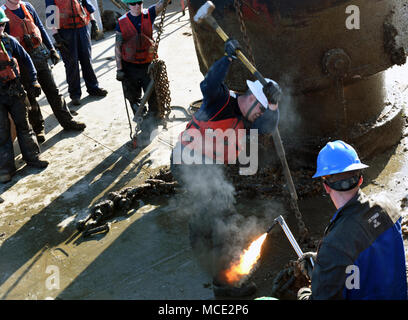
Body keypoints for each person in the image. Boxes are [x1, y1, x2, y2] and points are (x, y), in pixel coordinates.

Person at [170, 39, 282, 297]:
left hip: (210, 166)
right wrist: (227, 59)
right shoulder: (220, 100)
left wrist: (273, 105)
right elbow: (208, 83)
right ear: (252, 99)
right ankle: (225, 286)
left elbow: (267, 127)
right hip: (188, 161)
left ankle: (203, 244)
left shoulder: (249, 118)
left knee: (214, 210)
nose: (261, 116)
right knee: (219, 214)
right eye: (262, 110)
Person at [297, 140, 407, 300]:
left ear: (326, 187)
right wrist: (326, 265)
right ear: (361, 180)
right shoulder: (388, 206)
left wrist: (305, 294)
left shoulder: (334, 244)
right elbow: (371, 257)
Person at [2, 1, 86, 143]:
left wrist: (51, 48)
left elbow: (39, 26)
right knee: (31, 96)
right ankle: (38, 129)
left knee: (53, 90)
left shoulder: (27, 6)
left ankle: (67, 121)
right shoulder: (3, 14)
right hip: (22, 62)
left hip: (38, 55)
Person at [0, 12, 48, 183]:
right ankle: (5, 169)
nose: (2, 27)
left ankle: (33, 158)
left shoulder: (10, 41)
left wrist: (34, 81)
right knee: (2, 131)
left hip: (15, 92)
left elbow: (26, 59)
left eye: (3, 24)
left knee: (24, 126)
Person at [115, 0, 171, 120]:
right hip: (130, 65)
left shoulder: (149, 13)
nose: (137, 6)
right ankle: (139, 113)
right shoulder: (121, 22)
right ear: (128, 5)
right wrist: (119, 69)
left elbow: (161, 4)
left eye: (139, 3)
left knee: (153, 93)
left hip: (148, 63)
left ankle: (154, 117)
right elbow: (118, 46)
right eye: (133, 4)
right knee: (132, 94)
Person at [45, 0, 107, 106]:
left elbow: (86, 4)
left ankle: (93, 88)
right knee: (71, 63)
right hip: (65, 32)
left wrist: (93, 22)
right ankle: (75, 95)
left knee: (87, 59)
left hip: (82, 28)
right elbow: (51, 13)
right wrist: (56, 36)